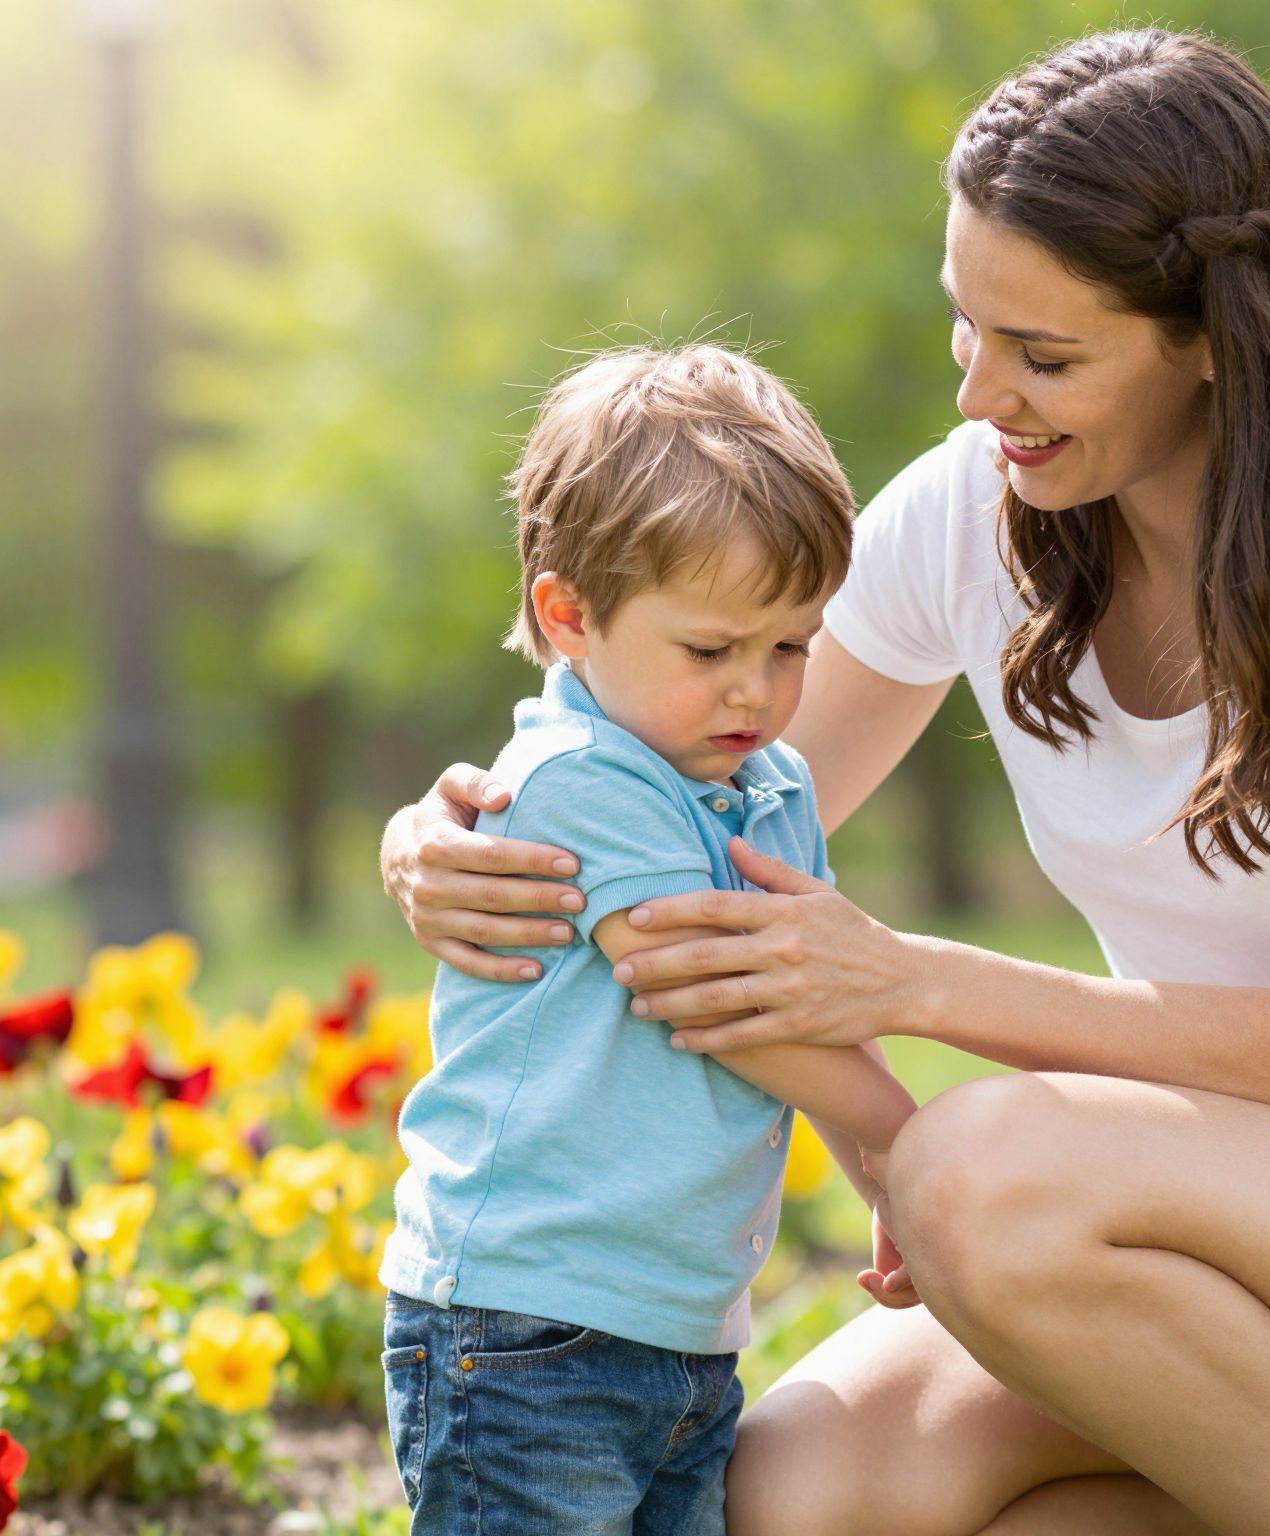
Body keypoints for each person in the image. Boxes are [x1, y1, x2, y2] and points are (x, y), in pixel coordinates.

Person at [380, 30, 1270, 1536]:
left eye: (1046, 355)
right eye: (969, 327)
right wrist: (456, 835)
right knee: (795, 1505)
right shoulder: (981, 513)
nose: (980, 397)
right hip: (1212, 1239)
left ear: (1212, 335)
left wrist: (898, 982)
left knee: (979, 1168)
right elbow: (672, 778)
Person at [377, 344, 917, 1536]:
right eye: (712, 651)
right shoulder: (579, 782)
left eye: (791, 646)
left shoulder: (769, 790)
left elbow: (808, 1005)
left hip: (676, 1326)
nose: (758, 695)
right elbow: (723, 1002)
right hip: (522, 1329)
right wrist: (919, 1143)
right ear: (567, 616)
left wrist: (879, 1170)